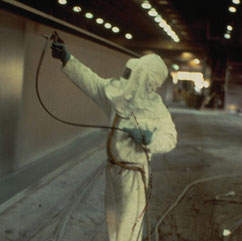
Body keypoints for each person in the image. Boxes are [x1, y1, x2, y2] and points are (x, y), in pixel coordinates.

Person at [51, 39, 177, 241]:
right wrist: (67, 59)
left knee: (129, 229)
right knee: (114, 224)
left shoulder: (156, 109)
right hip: (113, 171)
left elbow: (170, 138)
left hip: (135, 175)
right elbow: (90, 81)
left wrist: (150, 139)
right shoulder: (117, 96)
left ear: (145, 80)